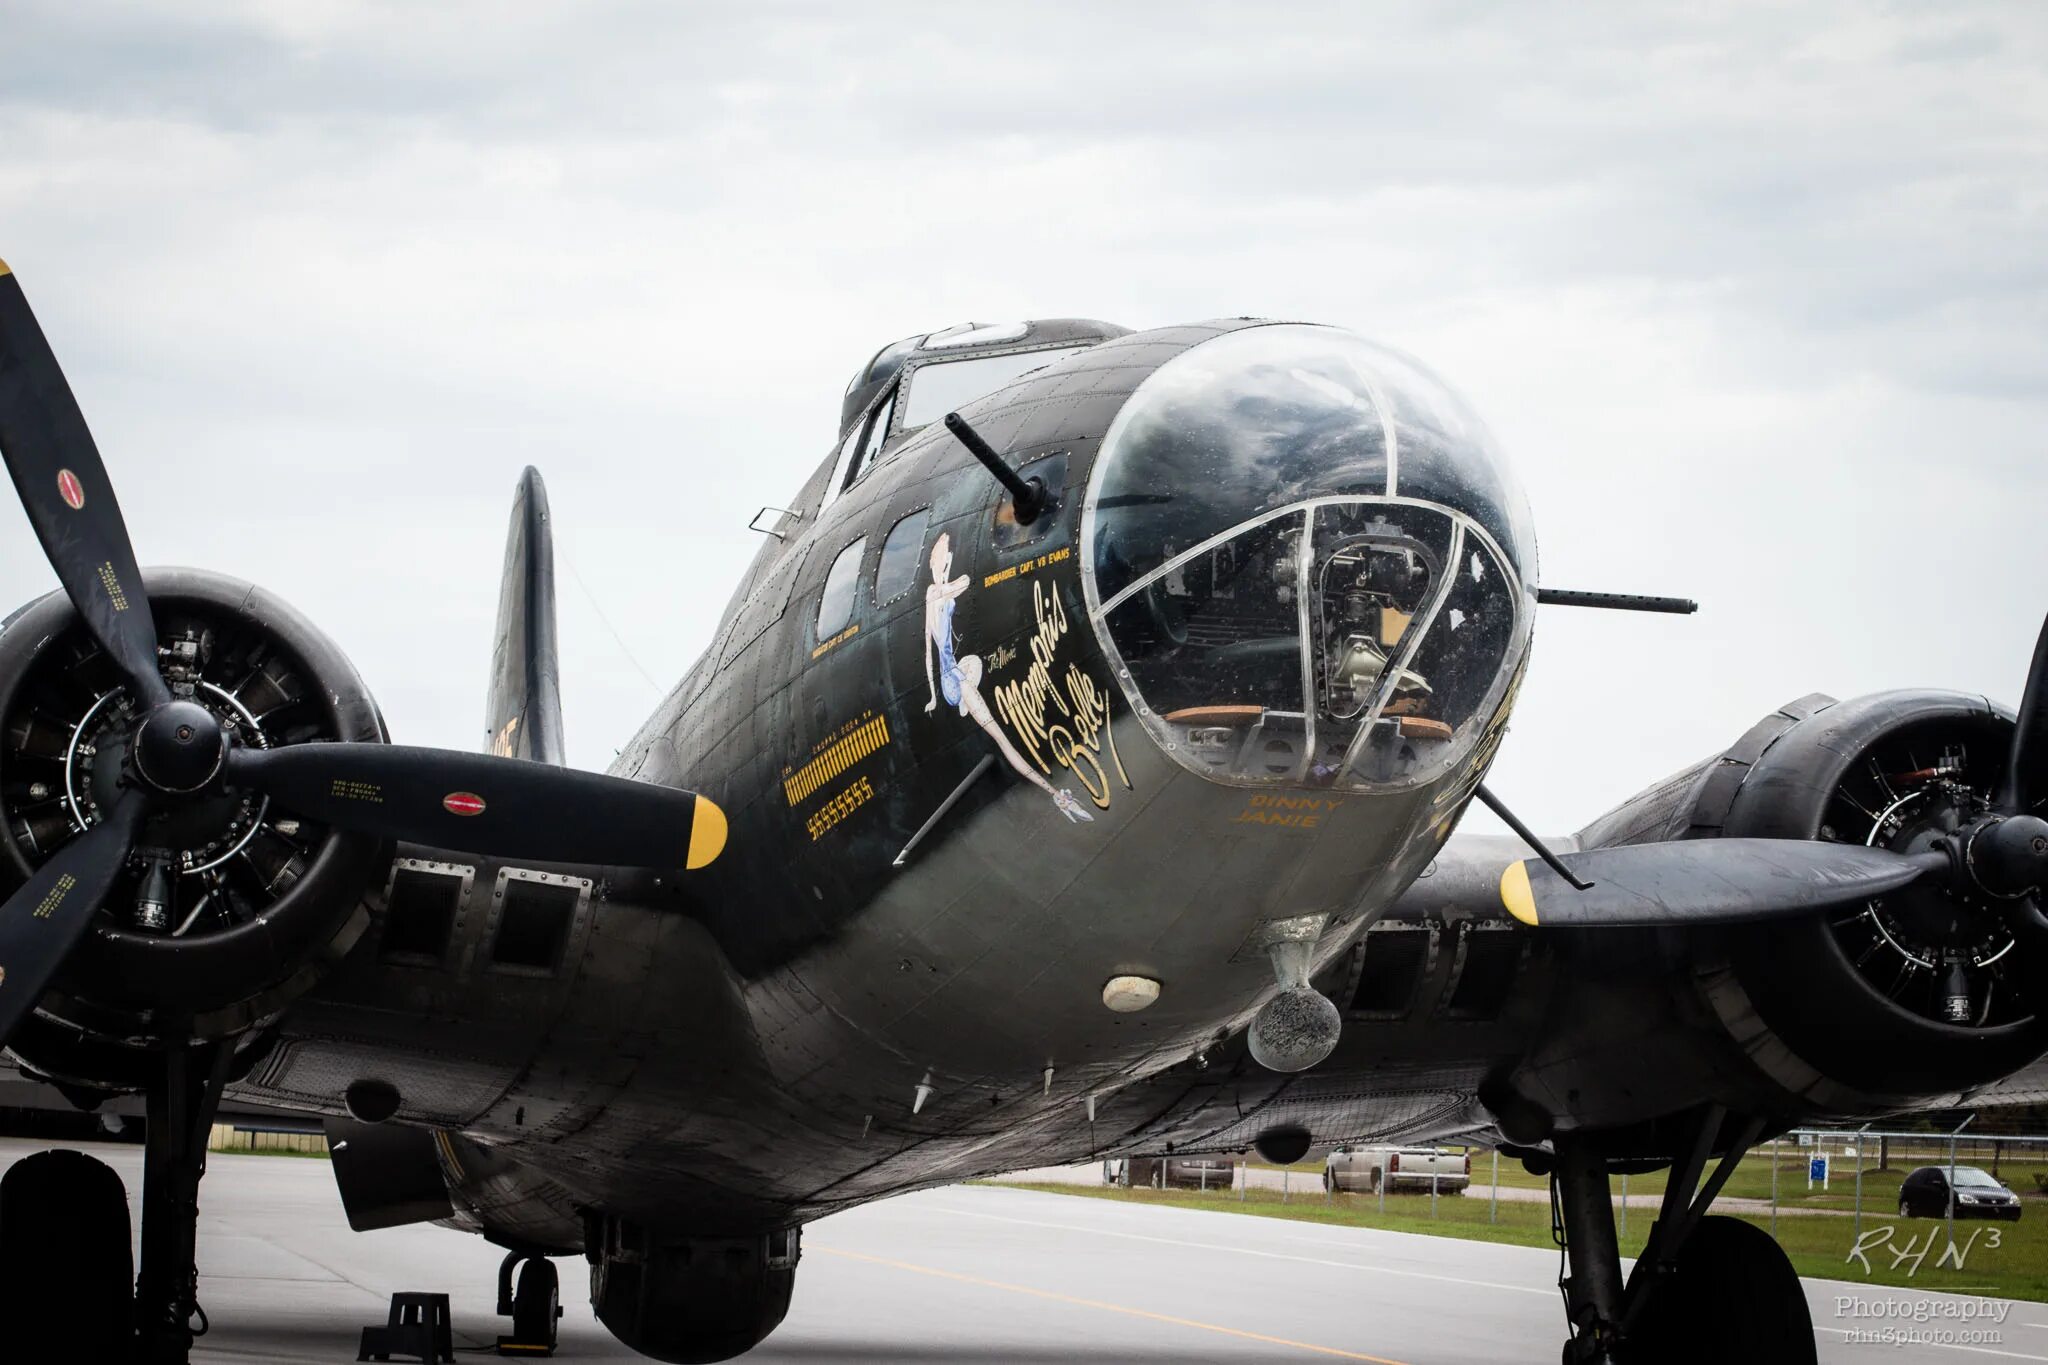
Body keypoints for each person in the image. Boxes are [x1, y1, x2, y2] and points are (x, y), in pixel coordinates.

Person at [922, 532, 1093, 823]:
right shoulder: (933, 594)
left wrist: (933, 695)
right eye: (940, 557)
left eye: (946, 556)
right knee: (1001, 738)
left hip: (956, 671)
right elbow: (930, 647)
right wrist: (934, 696)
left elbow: (934, 644)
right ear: (934, 563)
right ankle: (1055, 794)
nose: (945, 561)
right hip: (954, 680)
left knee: (974, 664)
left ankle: (1054, 793)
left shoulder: (939, 591)